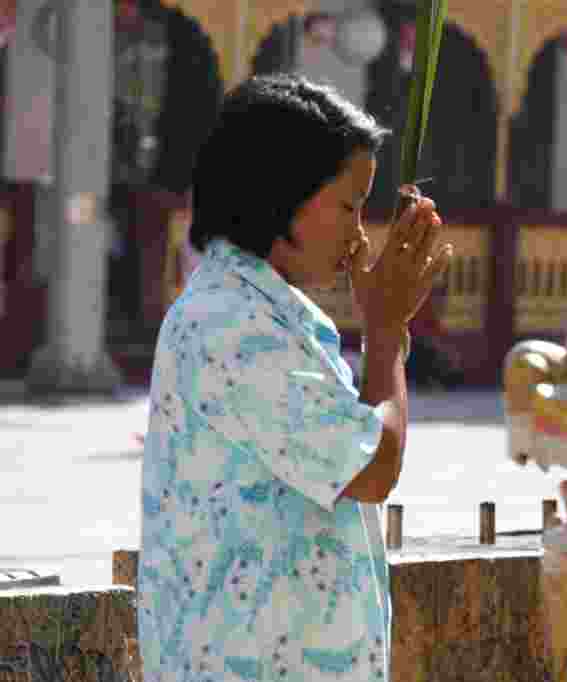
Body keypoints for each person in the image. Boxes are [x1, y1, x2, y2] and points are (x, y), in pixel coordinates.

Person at [138, 73, 451, 681]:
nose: (360, 235)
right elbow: (371, 467)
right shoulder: (231, 325)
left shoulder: (269, 314)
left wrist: (381, 326)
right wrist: (384, 328)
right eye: (349, 206)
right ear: (279, 197)